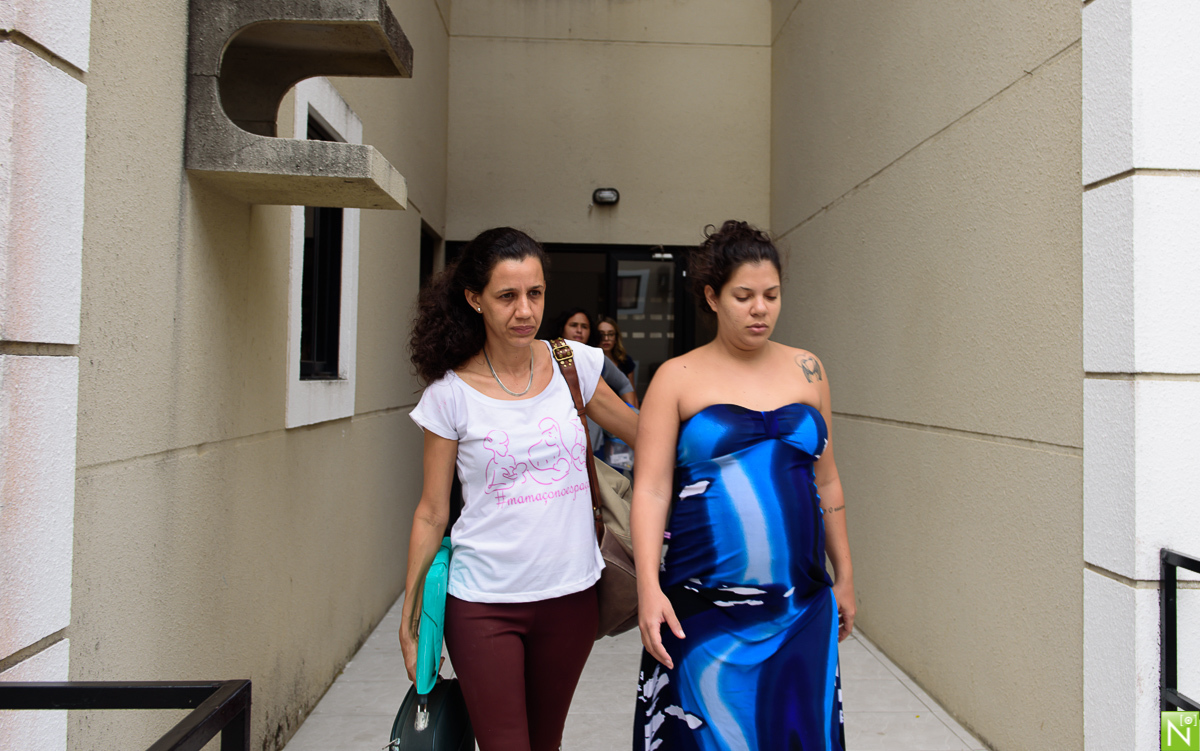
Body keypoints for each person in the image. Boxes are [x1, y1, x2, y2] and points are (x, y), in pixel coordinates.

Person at [402, 227, 638, 751]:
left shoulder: (572, 366)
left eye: (535, 294)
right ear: (474, 300)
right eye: (507, 296)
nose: (525, 310)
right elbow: (432, 512)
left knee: (546, 742)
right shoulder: (450, 394)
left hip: (572, 598)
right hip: (483, 602)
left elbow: (645, 433)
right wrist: (412, 607)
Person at [630, 220, 854, 751]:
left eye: (771, 295)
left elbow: (828, 480)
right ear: (712, 296)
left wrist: (845, 574)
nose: (761, 309)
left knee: (797, 733)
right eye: (744, 296)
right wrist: (647, 588)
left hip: (800, 602)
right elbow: (652, 490)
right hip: (702, 608)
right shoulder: (676, 377)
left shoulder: (809, 369)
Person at [555, 307, 638, 408]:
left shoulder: (596, 357)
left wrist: (632, 412)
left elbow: (625, 385)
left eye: (584, 327)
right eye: (573, 325)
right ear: (561, 328)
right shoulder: (548, 355)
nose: (579, 330)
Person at [596, 315, 636, 392]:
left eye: (610, 334)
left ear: (616, 338)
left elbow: (632, 392)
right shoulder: (590, 360)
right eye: (601, 334)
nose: (606, 338)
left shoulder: (625, 361)